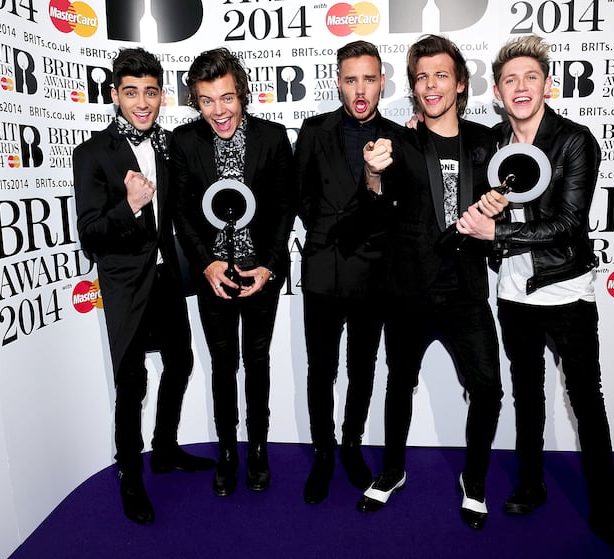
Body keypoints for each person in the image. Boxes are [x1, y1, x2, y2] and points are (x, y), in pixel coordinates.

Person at [456, 34, 614, 558]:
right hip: (513, 294)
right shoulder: (492, 144)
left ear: (546, 85)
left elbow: (568, 225)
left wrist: (495, 236)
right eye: (510, 80)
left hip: (567, 291)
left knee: (588, 403)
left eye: (530, 78)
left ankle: (607, 516)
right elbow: (445, 147)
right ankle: (531, 484)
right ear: (497, 92)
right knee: (527, 396)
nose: (521, 88)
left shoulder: (574, 141)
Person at [356, 34, 507, 531]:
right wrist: (373, 178)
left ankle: (475, 479)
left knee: (486, 389)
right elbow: (374, 211)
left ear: (461, 83)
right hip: (407, 290)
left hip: (465, 290)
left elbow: (502, 212)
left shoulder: (487, 142)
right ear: (414, 87)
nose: (430, 85)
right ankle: (393, 470)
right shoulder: (398, 141)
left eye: (441, 74)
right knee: (399, 383)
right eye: (422, 77)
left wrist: (496, 213)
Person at [73, 47, 214, 526]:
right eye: (131, 92)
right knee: (131, 383)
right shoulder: (92, 153)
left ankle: (166, 448)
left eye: (151, 92)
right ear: (115, 95)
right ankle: (129, 472)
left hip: (166, 278)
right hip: (124, 285)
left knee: (181, 362)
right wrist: (130, 205)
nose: (142, 102)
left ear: (161, 96)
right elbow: (90, 234)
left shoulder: (169, 146)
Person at [171, 47, 295, 497]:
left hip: (260, 273)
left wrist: (269, 265)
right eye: (206, 101)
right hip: (214, 276)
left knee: (257, 362)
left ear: (240, 92)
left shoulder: (272, 137)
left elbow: (285, 207)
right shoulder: (185, 143)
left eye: (226, 98)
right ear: (195, 102)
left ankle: (257, 450)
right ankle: (227, 452)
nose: (218, 111)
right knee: (223, 365)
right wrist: (206, 263)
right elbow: (181, 212)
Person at [295, 40, 404, 505]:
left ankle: (352, 444)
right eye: (351, 79)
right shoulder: (314, 129)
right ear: (338, 82)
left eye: (370, 78)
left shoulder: (402, 138)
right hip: (322, 268)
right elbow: (298, 196)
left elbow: (400, 210)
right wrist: (327, 230)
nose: (361, 89)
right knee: (321, 368)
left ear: (382, 82)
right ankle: (322, 453)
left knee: (361, 368)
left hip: (372, 273)